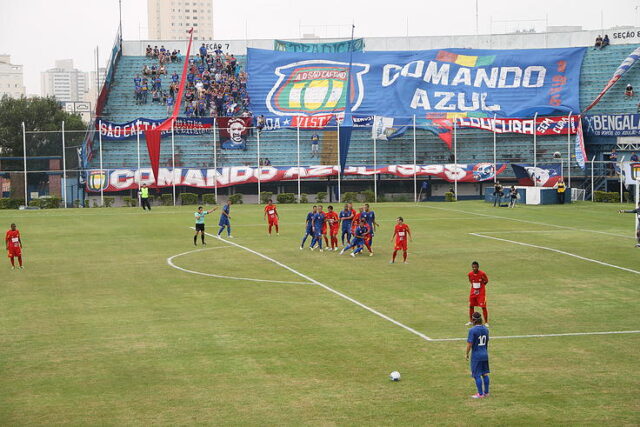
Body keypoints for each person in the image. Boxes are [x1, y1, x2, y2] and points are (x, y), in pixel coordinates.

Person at [466, 311, 490, 399]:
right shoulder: (486, 329)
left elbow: (469, 343)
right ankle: (486, 392)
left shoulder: (472, 330)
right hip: (484, 353)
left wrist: (467, 353)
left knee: (477, 375)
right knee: (485, 373)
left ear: (473, 320)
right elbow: (487, 341)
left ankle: (480, 394)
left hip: (476, 355)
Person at [466, 261, 489, 327]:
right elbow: (470, 281)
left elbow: (486, 281)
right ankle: (471, 321)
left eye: (475, 267)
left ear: (478, 267)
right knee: (471, 306)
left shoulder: (482, 273)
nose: (474, 268)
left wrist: (482, 287)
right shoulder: (470, 274)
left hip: (481, 293)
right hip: (473, 292)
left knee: (483, 307)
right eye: (473, 267)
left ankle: (486, 322)